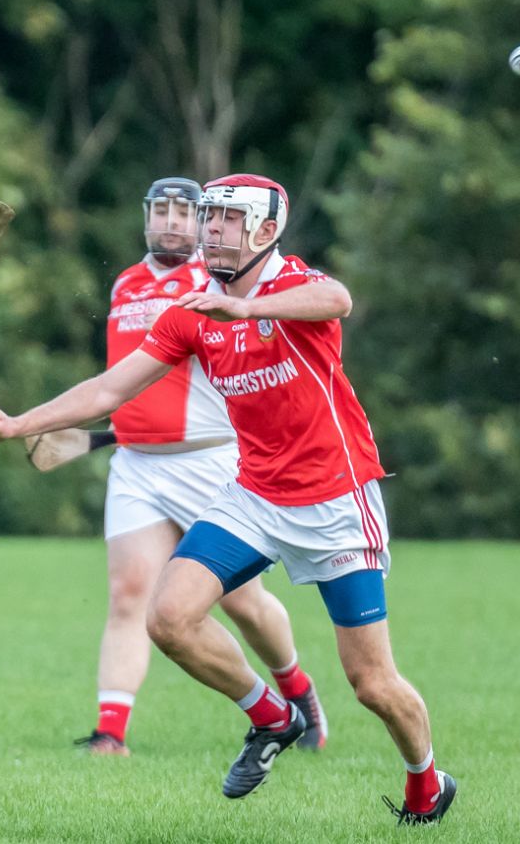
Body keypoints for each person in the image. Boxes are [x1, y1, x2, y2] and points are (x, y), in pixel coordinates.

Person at [0, 173, 455, 824]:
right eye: (210, 218)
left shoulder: (289, 288)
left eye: (228, 219)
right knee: (167, 618)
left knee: (372, 685)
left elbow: (336, 298)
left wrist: (250, 309)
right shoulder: (191, 313)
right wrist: (18, 424)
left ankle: (427, 783)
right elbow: (109, 390)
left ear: (263, 230)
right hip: (253, 495)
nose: (212, 230)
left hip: (337, 501)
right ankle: (271, 717)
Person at [74, 177, 326, 757]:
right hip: (137, 463)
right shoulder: (127, 283)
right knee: (128, 594)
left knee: (241, 602)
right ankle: (110, 732)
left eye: (184, 212)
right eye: (159, 208)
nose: (170, 221)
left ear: (204, 221)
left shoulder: (213, 283)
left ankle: (297, 689)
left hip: (208, 460)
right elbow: (124, 380)